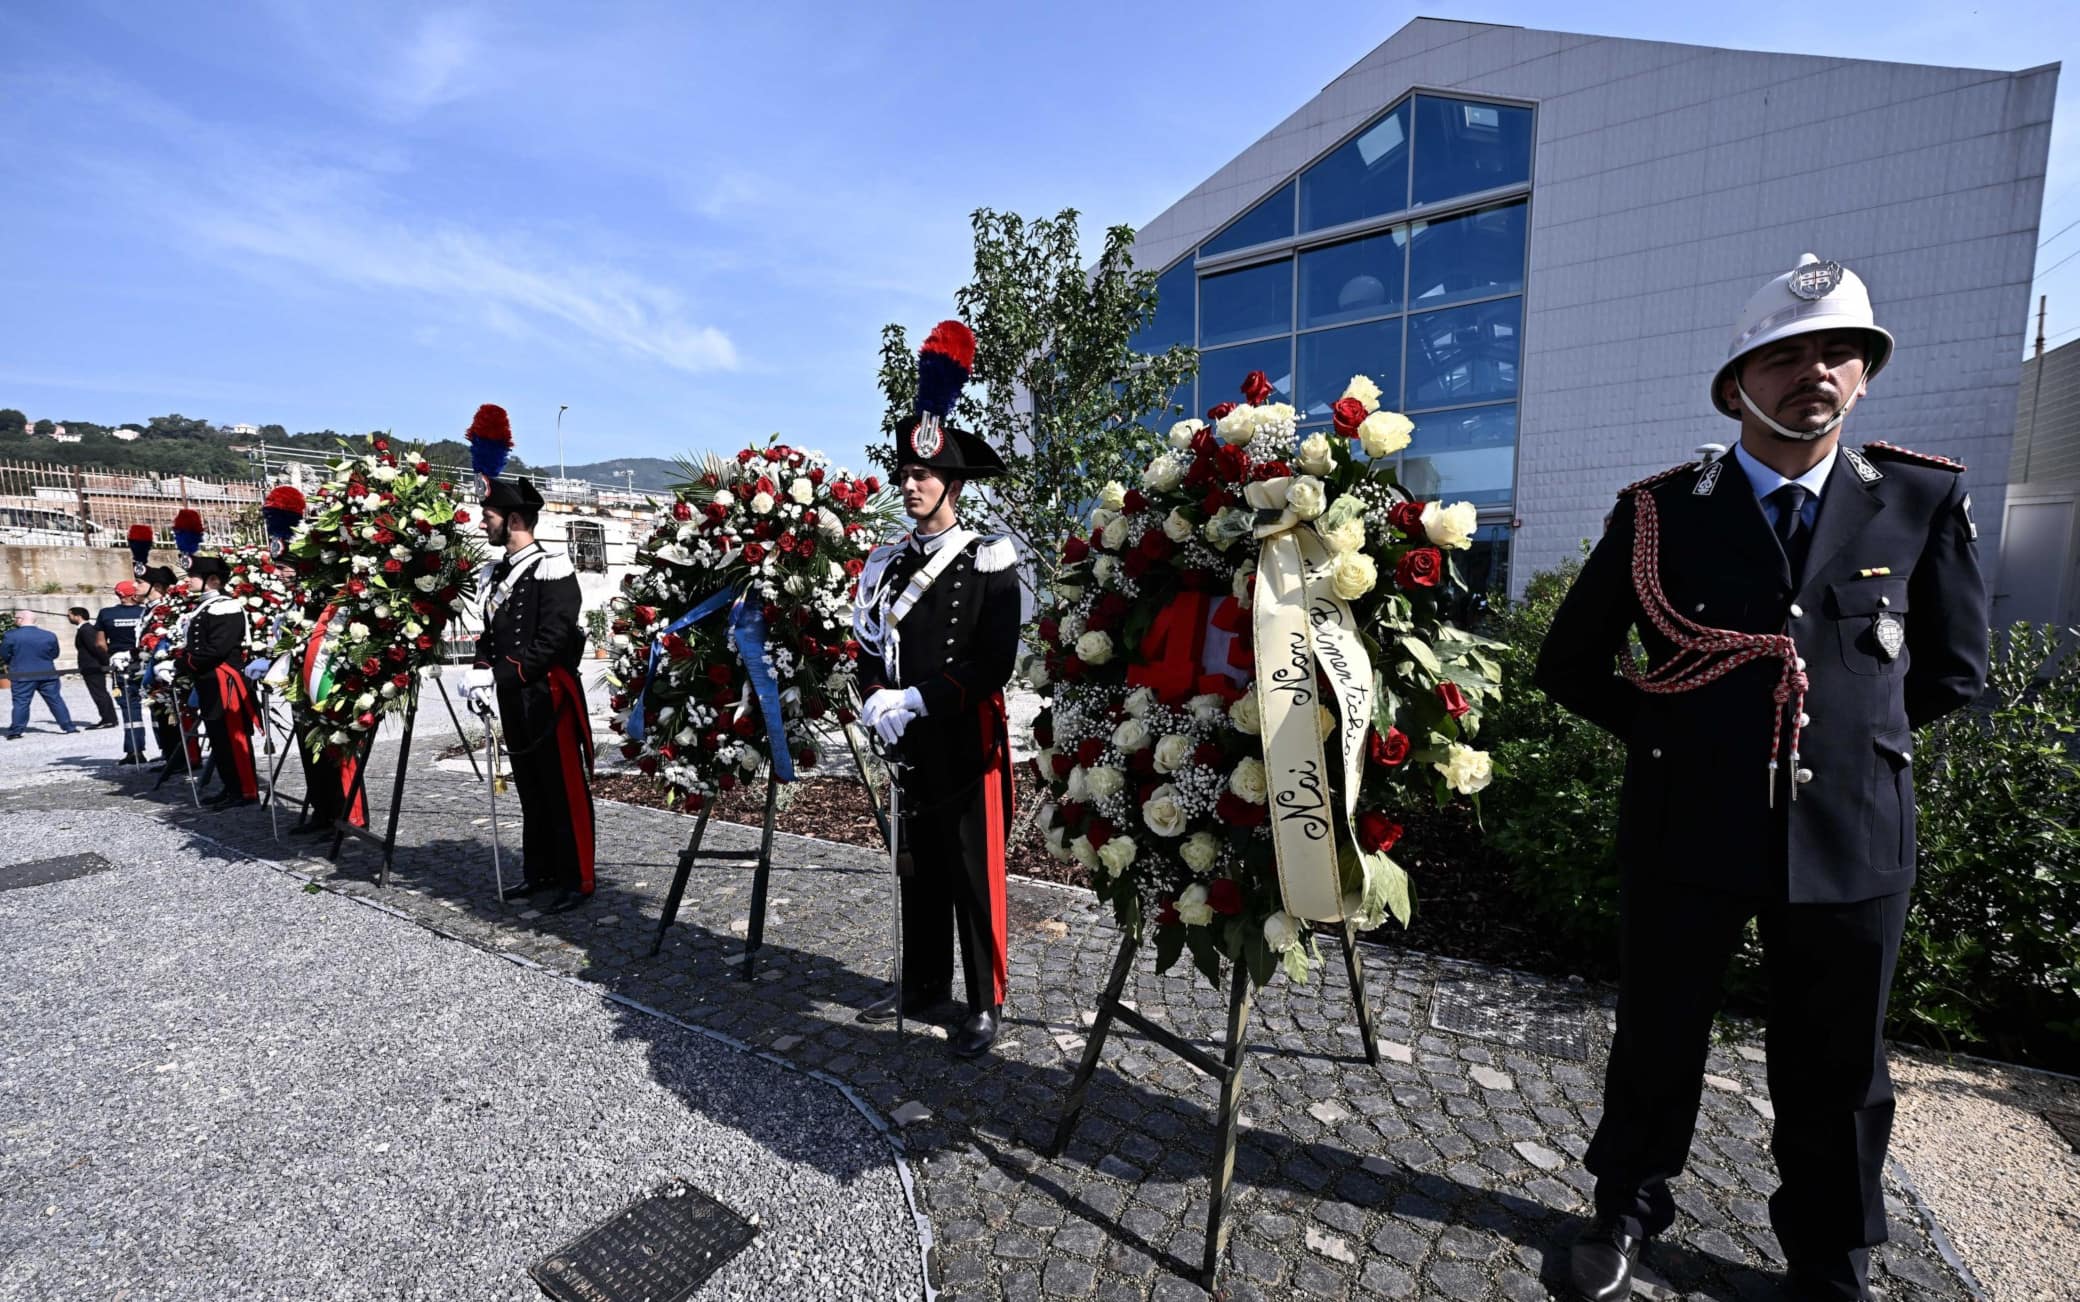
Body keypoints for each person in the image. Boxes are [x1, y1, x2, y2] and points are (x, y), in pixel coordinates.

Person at [1534, 254, 1988, 1302]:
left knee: (1840, 1067)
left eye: (1835, 352)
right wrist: (1675, 735)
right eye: (1782, 356)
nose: (1811, 372)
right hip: (1685, 823)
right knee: (1658, 1038)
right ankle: (1625, 1216)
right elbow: (1568, 664)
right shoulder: (1661, 512)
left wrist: (1846, 754)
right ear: (1735, 387)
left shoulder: (1917, 499)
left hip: (1852, 833)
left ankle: (1831, 1260)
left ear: (1864, 376)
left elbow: (1952, 672)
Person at [852, 320, 1021, 1059]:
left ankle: (984, 1001)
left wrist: (916, 699)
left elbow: (994, 664)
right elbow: (864, 646)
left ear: (952, 483)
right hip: (907, 745)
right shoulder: (884, 565)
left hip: (960, 739)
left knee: (969, 875)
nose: (910, 486)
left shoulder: (988, 558)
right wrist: (871, 699)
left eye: (924, 477)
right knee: (915, 867)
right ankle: (923, 983)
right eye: (905, 476)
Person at [459, 432, 593, 914]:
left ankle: (577, 879)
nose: (483, 523)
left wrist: (504, 675)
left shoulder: (552, 567)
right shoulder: (495, 574)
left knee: (562, 788)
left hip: (547, 693)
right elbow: (489, 635)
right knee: (531, 789)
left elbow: (555, 637)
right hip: (516, 695)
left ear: (514, 519)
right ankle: (540, 872)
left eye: (489, 517)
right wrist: (479, 672)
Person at [174, 555, 259, 808]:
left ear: (212, 580)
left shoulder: (226, 606)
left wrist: (183, 663)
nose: (187, 580)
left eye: (193, 576)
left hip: (225, 681)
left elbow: (217, 649)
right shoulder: (204, 607)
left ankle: (244, 790)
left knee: (232, 737)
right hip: (209, 680)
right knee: (219, 738)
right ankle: (230, 785)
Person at [95, 582, 154, 763]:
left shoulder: (106, 614)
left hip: (122, 667)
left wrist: (112, 657)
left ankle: (134, 751)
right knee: (159, 705)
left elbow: (100, 643)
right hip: (147, 663)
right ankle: (169, 750)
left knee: (130, 709)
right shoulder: (147, 612)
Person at [3, 610, 78, 740]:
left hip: (22, 673)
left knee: (21, 702)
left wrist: (12, 662)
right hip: (47, 672)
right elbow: (54, 654)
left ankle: (17, 730)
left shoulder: (11, 635)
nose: (15, 620)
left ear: (20, 619)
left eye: (16, 618)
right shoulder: (49, 635)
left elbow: (4, 654)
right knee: (55, 700)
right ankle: (68, 726)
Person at [68, 606, 117, 730]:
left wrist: (106, 664)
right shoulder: (85, 629)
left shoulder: (86, 630)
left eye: (70, 615)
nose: (68, 618)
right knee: (99, 693)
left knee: (99, 693)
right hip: (92, 666)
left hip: (93, 666)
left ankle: (108, 719)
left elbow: (96, 648)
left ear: (77, 616)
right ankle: (109, 718)